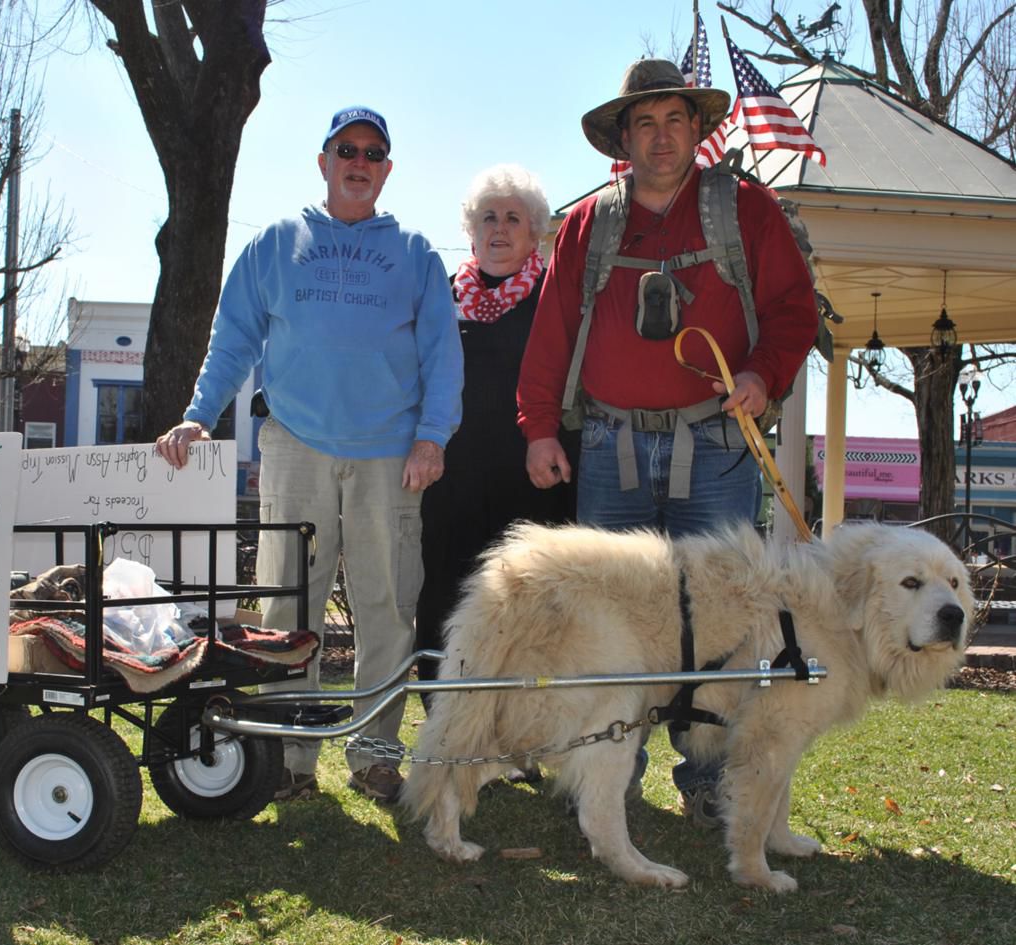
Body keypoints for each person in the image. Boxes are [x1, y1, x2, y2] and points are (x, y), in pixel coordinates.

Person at [516, 59, 819, 825]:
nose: (661, 137)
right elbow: (551, 332)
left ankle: (711, 779)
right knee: (606, 622)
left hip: (715, 445)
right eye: (644, 122)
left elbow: (792, 308)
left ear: (697, 128)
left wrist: (760, 374)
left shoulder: (745, 211)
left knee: (721, 621)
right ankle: (607, 772)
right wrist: (540, 427)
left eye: (674, 120)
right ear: (624, 136)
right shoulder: (590, 224)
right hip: (612, 449)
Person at [155, 106, 463, 805]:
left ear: (386, 170)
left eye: (373, 152)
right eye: (346, 149)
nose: (359, 161)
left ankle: (375, 753)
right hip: (295, 448)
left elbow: (444, 355)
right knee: (287, 608)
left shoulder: (416, 253)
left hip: (390, 457)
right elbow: (233, 337)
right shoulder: (275, 245)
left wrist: (433, 435)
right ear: (323, 162)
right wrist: (199, 415)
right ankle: (289, 757)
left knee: (388, 606)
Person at [416, 165, 576, 709]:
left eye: (514, 218)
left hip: (532, 480)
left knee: (526, 606)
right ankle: (445, 720)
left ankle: (521, 733)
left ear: (535, 233)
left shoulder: (556, 299)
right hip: (451, 480)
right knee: (444, 594)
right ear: (471, 230)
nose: (499, 229)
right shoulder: (441, 298)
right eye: (489, 217)